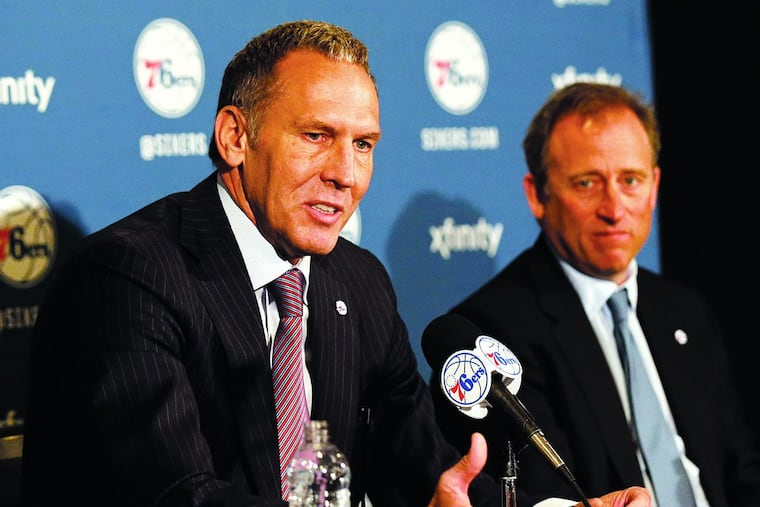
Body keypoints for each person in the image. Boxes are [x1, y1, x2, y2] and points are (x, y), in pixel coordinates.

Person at [19, 21, 651, 507]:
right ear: (236, 137)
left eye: (364, 144)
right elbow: (180, 495)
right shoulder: (131, 278)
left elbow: (429, 470)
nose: (345, 175)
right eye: (316, 136)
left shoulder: (357, 280)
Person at [430, 82, 760, 506]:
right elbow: (546, 495)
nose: (614, 209)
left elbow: (740, 470)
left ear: (654, 186)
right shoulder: (492, 334)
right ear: (538, 195)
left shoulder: (685, 310)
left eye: (631, 180)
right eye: (587, 183)